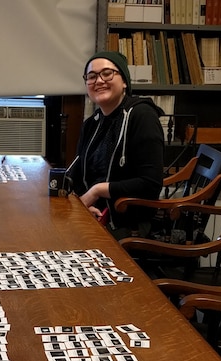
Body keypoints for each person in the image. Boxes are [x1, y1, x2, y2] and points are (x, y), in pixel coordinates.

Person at [68, 51, 165, 239]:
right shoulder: (92, 123)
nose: (99, 81)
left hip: (127, 223)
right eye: (92, 76)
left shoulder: (142, 117)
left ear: (125, 82)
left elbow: (150, 184)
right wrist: (83, 205)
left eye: (107, 73)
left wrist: (97, 190)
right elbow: (77, 172)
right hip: (96, 214)